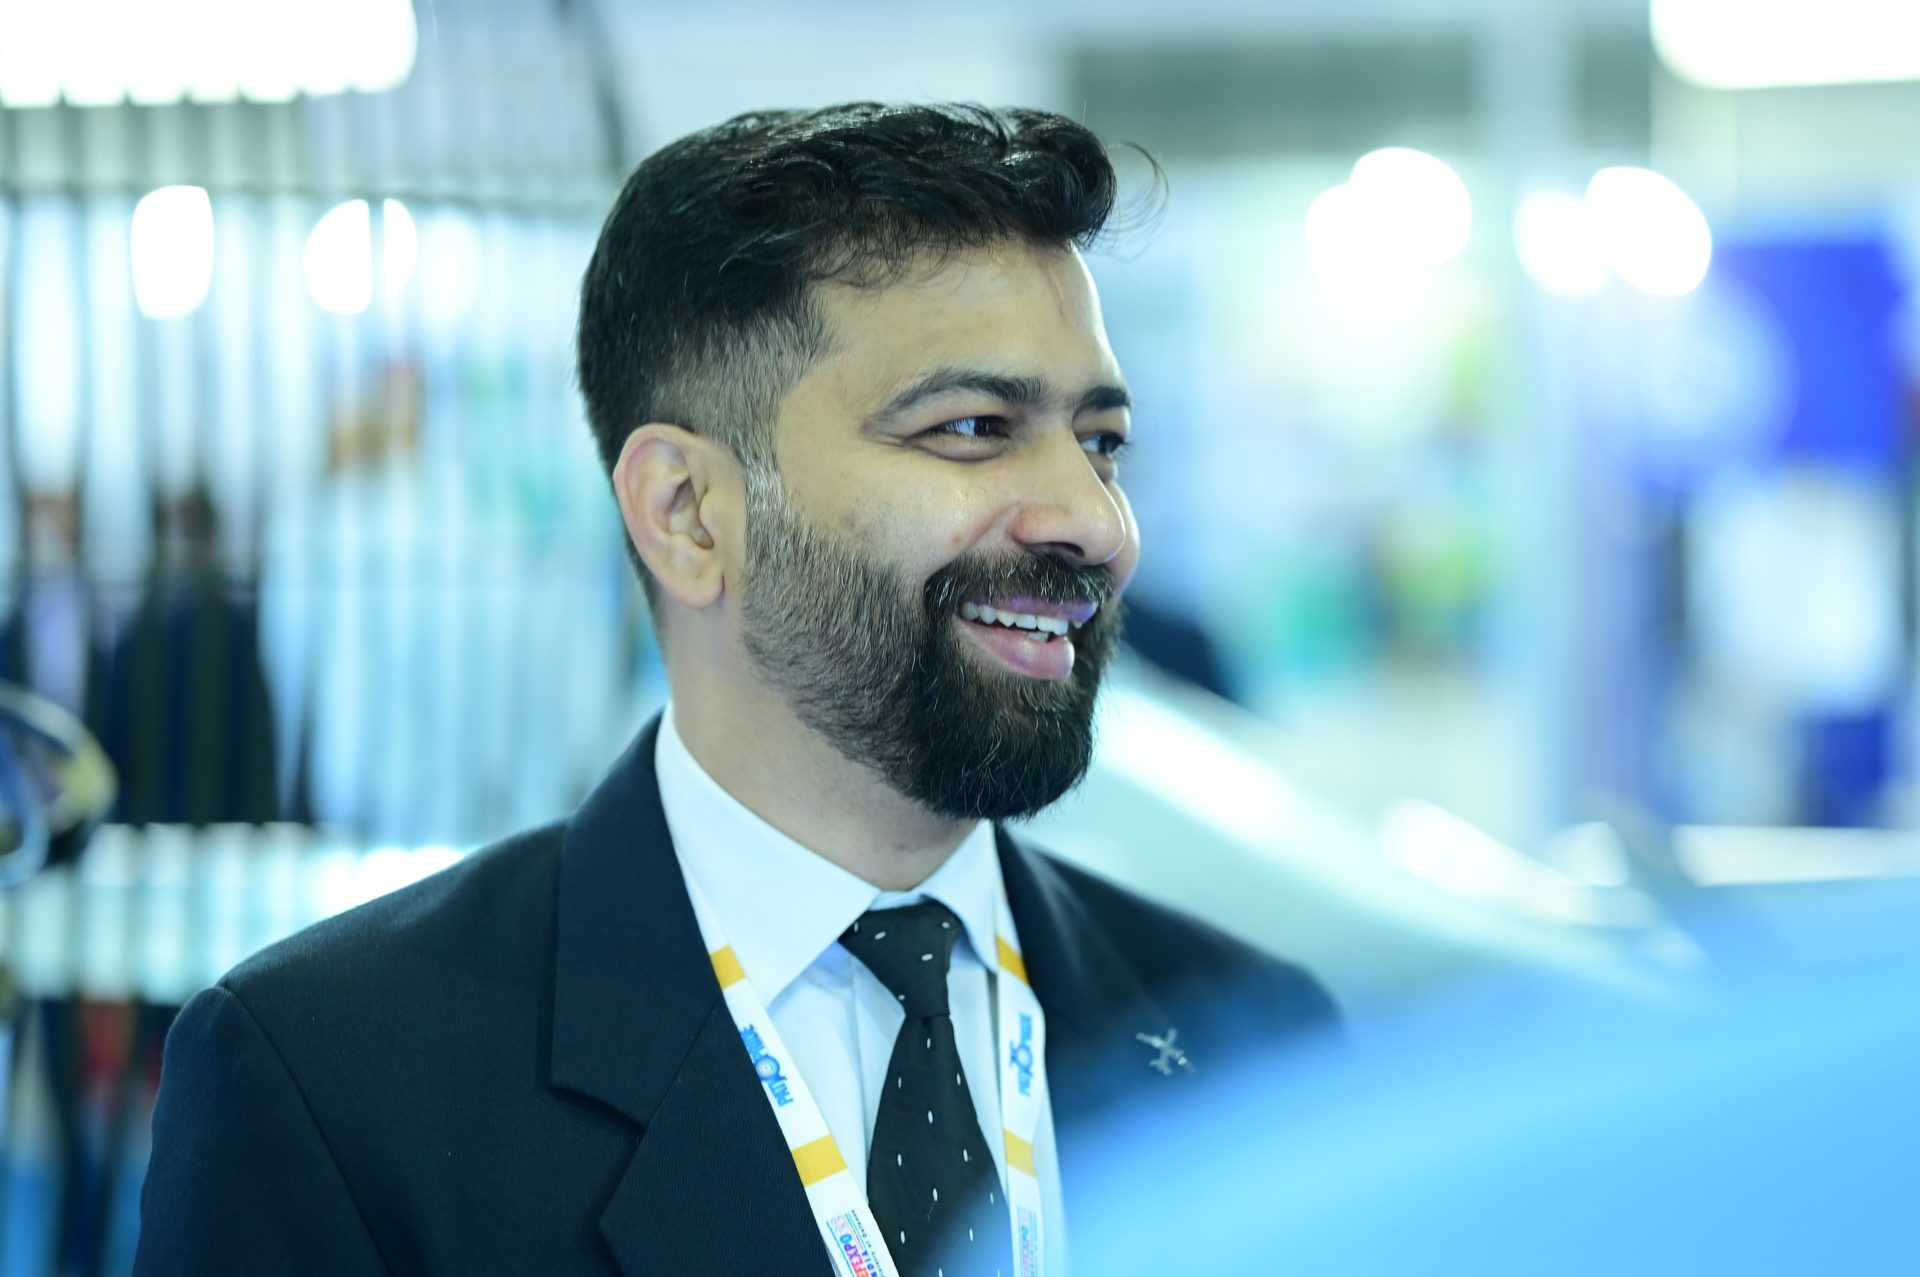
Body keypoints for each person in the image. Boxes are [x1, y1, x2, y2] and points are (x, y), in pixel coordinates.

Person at [134, 103, 1337, 1276]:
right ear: (689, 512)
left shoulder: (1257, 1039)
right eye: (973, 426)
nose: (1095, 521)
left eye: (1101, 440)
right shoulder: (336, 1080)